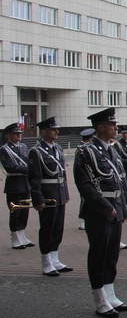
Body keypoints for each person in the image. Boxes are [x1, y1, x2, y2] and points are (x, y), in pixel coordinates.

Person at [74, 108, 127, 318]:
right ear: (100, 127)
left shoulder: (111, 150)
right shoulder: (86, 152)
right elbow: (86, 187)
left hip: (115, 207)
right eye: (112, 124)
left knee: (111, 255)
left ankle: (110, 294)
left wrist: (122, 208)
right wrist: (107, 209)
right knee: (99, 254)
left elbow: (119, 181)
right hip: (99, 211)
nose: (116, 128)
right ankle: (100, 300)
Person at [27, 116, 71, 276]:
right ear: (44, 132)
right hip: (47, 195)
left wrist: (65, 194)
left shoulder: (57, 148)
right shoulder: (36, 152)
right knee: (47, 228)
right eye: (54, 129)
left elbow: (62, 174)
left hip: (58, 193)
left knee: (58, 228)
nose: (57, 131)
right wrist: (37, 199)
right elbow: (34, 178)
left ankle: (55, 258)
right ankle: (46, 262)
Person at [1, 122, 34, 249]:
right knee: (15, 211)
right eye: (15, 134)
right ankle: (15, 237)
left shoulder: (24, 147)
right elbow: (10, 166)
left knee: (25, 210)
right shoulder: (5, 150)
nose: (18, 135)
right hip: (14, 184)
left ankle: (22, 235)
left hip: (25, 183)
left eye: (19, 133)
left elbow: (28, 161)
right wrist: (28, 169)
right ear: (9, 135)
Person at [76, 128, 96, 230]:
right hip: (85, 179)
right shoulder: (82, 149)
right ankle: (81, 219)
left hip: (90, 179)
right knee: (84, 199)